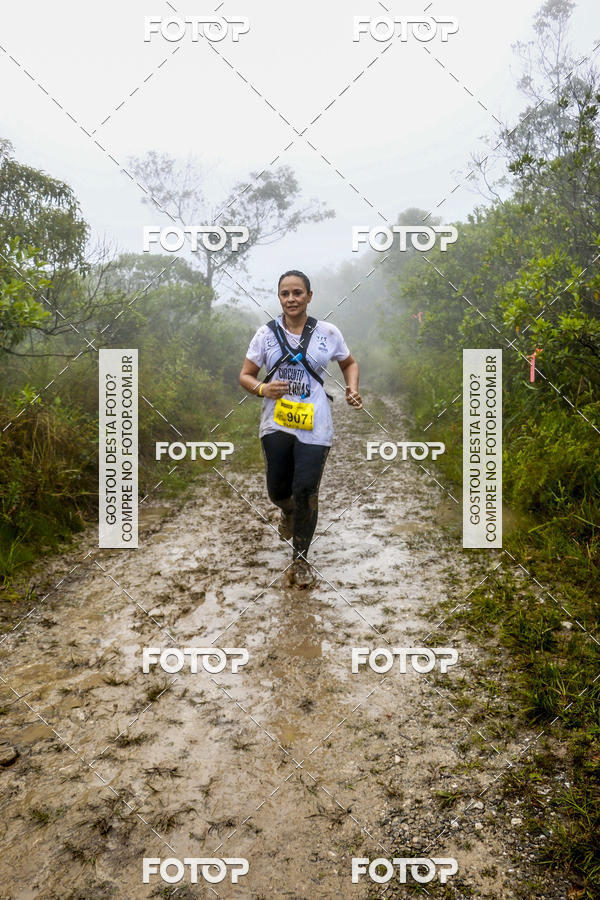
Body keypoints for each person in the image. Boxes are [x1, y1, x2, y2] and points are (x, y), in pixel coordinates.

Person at [239, 270, 362, 588]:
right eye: (285, 293)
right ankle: (288, 512)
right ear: (279, 298)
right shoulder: (266, 334)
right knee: (278, 490)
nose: (291, 299)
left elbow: (349, 362)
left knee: (306, 490)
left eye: (297, 292)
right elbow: (246, 375)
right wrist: (263, 389)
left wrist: (351, 388)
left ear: (309, 295)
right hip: (276, 422)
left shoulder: (328, 332)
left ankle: (301, 560)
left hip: (316, 423)